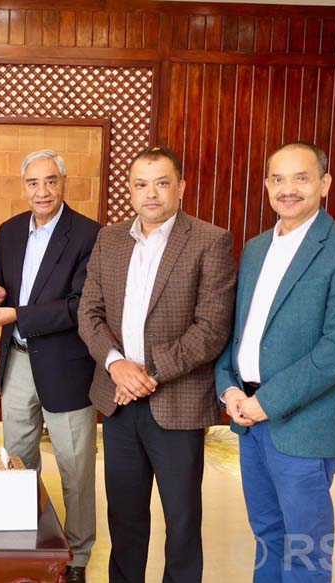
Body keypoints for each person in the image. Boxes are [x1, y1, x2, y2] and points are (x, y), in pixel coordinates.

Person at [215, 142, 335, 583]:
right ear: (267, 185)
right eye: (278, 179)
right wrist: (228, 387)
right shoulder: (255, 249)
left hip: (304, 423)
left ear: (325, 184)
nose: (288, 189)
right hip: (249, 418)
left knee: (305, 548)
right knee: (268, 535)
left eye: (301, 178)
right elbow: (239, 333)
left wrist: (266, 402)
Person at [77, 146, 236, 583]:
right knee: (124, 515)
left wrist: (149, 374)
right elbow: (88, 312)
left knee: (181, 519)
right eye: (141, 184)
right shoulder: (109, 239)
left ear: (181, 187)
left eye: (162, 183)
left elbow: (212, 328)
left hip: (177, 403)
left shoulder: (209, 240)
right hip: (119, 401)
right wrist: (116, 365)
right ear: (129, 191)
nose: (151, 193)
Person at [0, 150, 101, 583]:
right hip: (17, 360)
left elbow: (80, 306)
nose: (42, 191)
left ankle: (78, 557)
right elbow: (7, 289)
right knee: (17, 461)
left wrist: (19, 314)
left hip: (67, 366)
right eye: (33, 183)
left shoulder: (89, 234)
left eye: (51, 181)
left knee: (75, 468)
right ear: (24, 187)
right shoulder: (9, 231)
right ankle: (24, 547)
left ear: (63, 183)